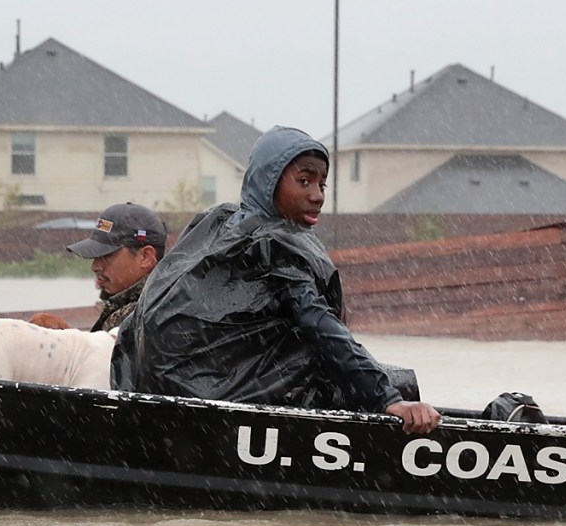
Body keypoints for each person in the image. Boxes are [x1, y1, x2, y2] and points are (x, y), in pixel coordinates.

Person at [115, 127, 439, 433]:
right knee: (397, 383)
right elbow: (321, 325)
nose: (317, 196)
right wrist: (389, 399)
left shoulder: (216, 222)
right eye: (304, 181)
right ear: (269, 183)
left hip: (157, 391)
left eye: (322, 184)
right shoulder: (277, 244)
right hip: (226, 403)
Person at [65, 202, 170, 332]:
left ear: (145, 257)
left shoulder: (153, 316)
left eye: (107, 255)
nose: (95, 266)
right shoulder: (153, 303)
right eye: (95, 257)